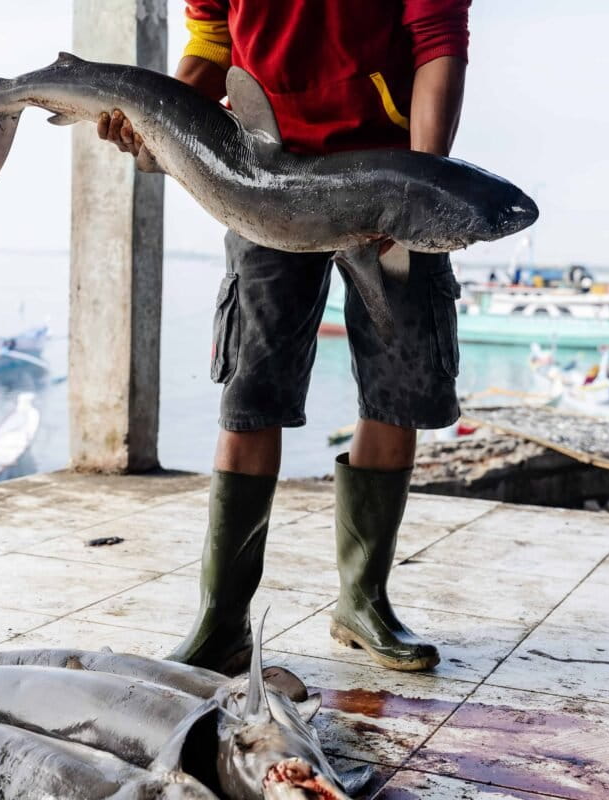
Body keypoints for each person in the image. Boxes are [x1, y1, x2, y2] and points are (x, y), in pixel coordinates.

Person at [98, 0, 469, 673]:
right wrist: (156, 121)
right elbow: (213, 41)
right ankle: (222, 623)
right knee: (251, 397)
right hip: (263, 173)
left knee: (397, 392)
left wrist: (418, 181)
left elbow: (436, 39)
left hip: (388, 171)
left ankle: (363, 604)